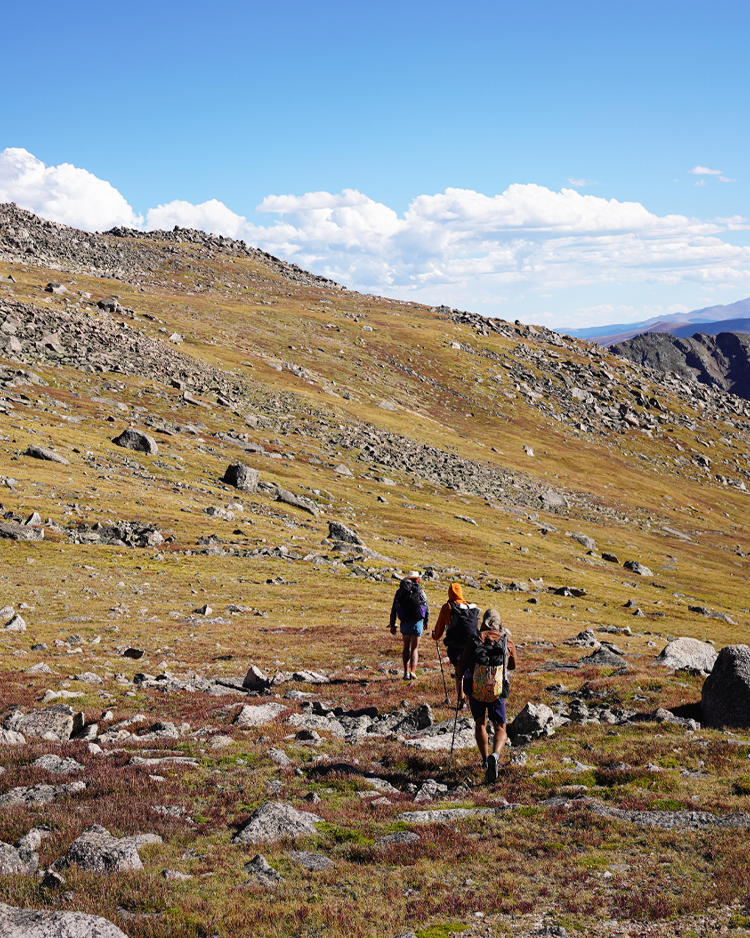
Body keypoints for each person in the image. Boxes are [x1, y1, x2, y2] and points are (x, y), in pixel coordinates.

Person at [458, 608, 517, 782]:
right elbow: (513, 666)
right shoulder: (506, 641)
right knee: (500, 727)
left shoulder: (474, 639)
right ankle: (496, 755)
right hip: (497, 692)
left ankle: (484, 760)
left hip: (476, 689)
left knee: (480, 723)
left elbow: (462, 664)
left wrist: (461, 685)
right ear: (499, 623)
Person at [431, 582, 479, 709]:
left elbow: (439, 630)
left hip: (456, 647)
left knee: (459, 674)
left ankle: (462, 702)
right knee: (471, 671)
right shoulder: (469, 606)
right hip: (472, 646)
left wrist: (434, 636)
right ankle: (474, 700)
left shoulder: (448, 607)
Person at [389, 571, 429, 680]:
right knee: (415, 648)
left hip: (405, 622)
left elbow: (394, 609)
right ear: (417, 579)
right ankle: (413, 672)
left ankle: (406, 673)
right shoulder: (420, 591)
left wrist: (392, 624)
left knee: (406, 647)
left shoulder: (400, 592)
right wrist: (426, 622)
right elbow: (426, 606)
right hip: (417, 622)